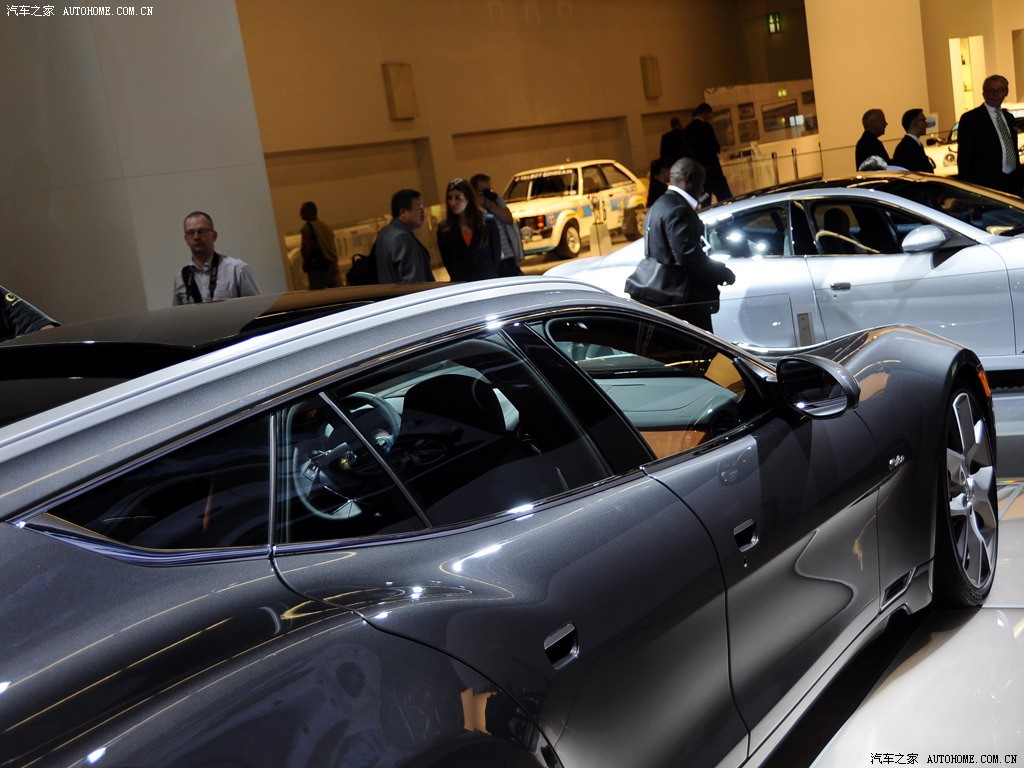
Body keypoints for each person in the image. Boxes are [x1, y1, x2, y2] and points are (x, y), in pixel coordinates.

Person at [624, 158, 735, 332]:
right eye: (701, 183)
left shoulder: (658, 205)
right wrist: (721, 273)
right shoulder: (679, 209)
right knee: (703, 345)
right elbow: (688, 256)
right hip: (685, 300)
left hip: (664, 297)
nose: (702, 190)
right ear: (690, 178)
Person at [173, 211, 260, 306]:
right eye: (190, 232)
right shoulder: (181, 277)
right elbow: (178, 314)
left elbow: (257, 308)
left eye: (202, 231)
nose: (196, 237)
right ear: (186, 239)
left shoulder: (237, 269)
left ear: (214, 236)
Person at [957, 74, 1022, 195]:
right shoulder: (971, 119)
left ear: (1006, 92)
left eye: (999, 90)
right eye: (991, 91)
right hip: (986, 185)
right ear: (984, 94)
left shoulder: (1009, 118)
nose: (995, 94)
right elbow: (964, 157)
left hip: (1013, 183)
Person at [436, 178, 500, 282]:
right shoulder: (444, 229)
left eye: (457, 198)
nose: (452, 203)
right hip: (462, 283)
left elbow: (496, 256)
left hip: (487, 281)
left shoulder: (487, 223)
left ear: (468, 198)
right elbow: (448, 262)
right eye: (449, 198)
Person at [373, 189, 435, 283]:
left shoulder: (385, 233)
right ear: (403, 212)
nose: (423, 212)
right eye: (418, 208)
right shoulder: (402, 238)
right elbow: (413, 283)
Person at [471, 173, 524, 277]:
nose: (487, 194)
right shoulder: (472, 207)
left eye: (489, 190)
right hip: (490, 258)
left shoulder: (496, 200)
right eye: (483, 192)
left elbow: (508, 219)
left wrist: (490, 204)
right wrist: (478, 204)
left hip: (507, 255)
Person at [683, 103, 732, 203]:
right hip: (712, 168)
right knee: (723, 196)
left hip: (698, 170)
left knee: (705, 197)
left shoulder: (686, 130)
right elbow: (715, 146)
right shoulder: (706, 126)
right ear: (705, 112)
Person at [298, 201, 342, 289]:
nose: (300, 214)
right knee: (337, 293)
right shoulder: (326, 227)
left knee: (317, 294)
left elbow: (306, 249)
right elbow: (333, 246)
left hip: (318, 269)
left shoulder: (306, 229)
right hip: (333, 265)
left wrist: (306, 265)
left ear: (309, 212)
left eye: (302, 211)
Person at [891, 108, 934, 173]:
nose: (926, 124)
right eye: (923, 120)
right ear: (915, 123)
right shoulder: (907, 148)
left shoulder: (911, 144)